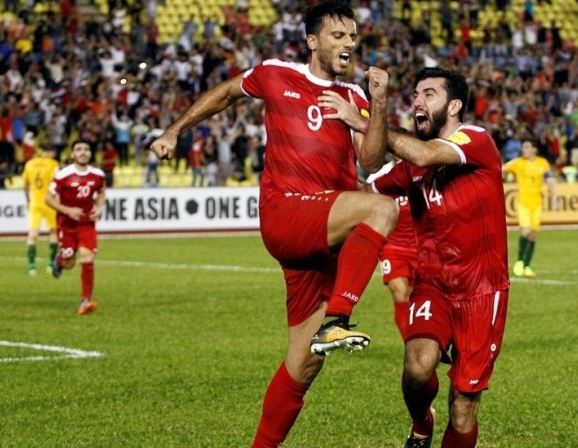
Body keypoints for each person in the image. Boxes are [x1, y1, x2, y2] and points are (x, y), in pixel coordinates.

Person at [148, 3, 398, 447]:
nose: (348, 45)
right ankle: (339, 317)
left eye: (353, 37)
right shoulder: (276, 73)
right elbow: (225, 94)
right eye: (338, 36)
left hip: (322, 235)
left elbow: (372, 161)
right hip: (287, 212)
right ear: (313, 41)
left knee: (303, 364)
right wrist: (173, 131)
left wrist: (372, 107)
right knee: (381, 210)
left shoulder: (356, 97)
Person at [358, 67, 509, 448]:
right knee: (416, 368)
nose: (417, 101)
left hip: (481, 291)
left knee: (462, 405)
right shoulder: (410, 165)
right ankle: (421, 424)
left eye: (428, 94)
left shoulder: (476, 139)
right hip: (434, 286)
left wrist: (366, 121)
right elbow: (367, 183)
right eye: (415, 94)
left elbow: (424, 155)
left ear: (454, 105)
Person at [45, 140, 106, 315]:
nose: (83, 152)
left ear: (90, 153)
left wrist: (98, 207)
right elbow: (48, 199)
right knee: (69, 262)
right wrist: (68, 210)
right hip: (66, 224)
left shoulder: (98, 175)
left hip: (86, 223)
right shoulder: (63, 175)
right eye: (78, 149)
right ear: (72, 154)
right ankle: (59, 260)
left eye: (86, 149)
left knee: (87, 257)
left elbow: (101, 192)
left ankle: (85, 300)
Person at [367, 158, 418, 339]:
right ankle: (410, 343)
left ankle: (423, 342)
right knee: (399, 293)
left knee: (417, 298)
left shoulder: (421, 173)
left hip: (420, 246)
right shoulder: (380, 177)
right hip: (392, 246)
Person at [502, 139, 557, 278]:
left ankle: (527, 266)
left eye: (526, 147)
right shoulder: (518, 163)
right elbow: (502, 169)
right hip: (524, 203)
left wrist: (554, 197)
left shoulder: (542, 163)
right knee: (526, 231)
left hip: (537, 204)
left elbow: (550, 180)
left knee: (533, 234)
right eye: (523, 147)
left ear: (534, 149)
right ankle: (519, 262)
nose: (523, 150)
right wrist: (503, 175)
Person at [22, 147, 60, 276]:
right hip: (49, 202)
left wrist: (28, 201)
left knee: (33, 234)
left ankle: (31, 267)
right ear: (48, 152)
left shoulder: (29, 164)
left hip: (35, 202)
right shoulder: (53, 164)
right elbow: (57, 184)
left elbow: (25, 185)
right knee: (53, 232)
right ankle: (51, 264)